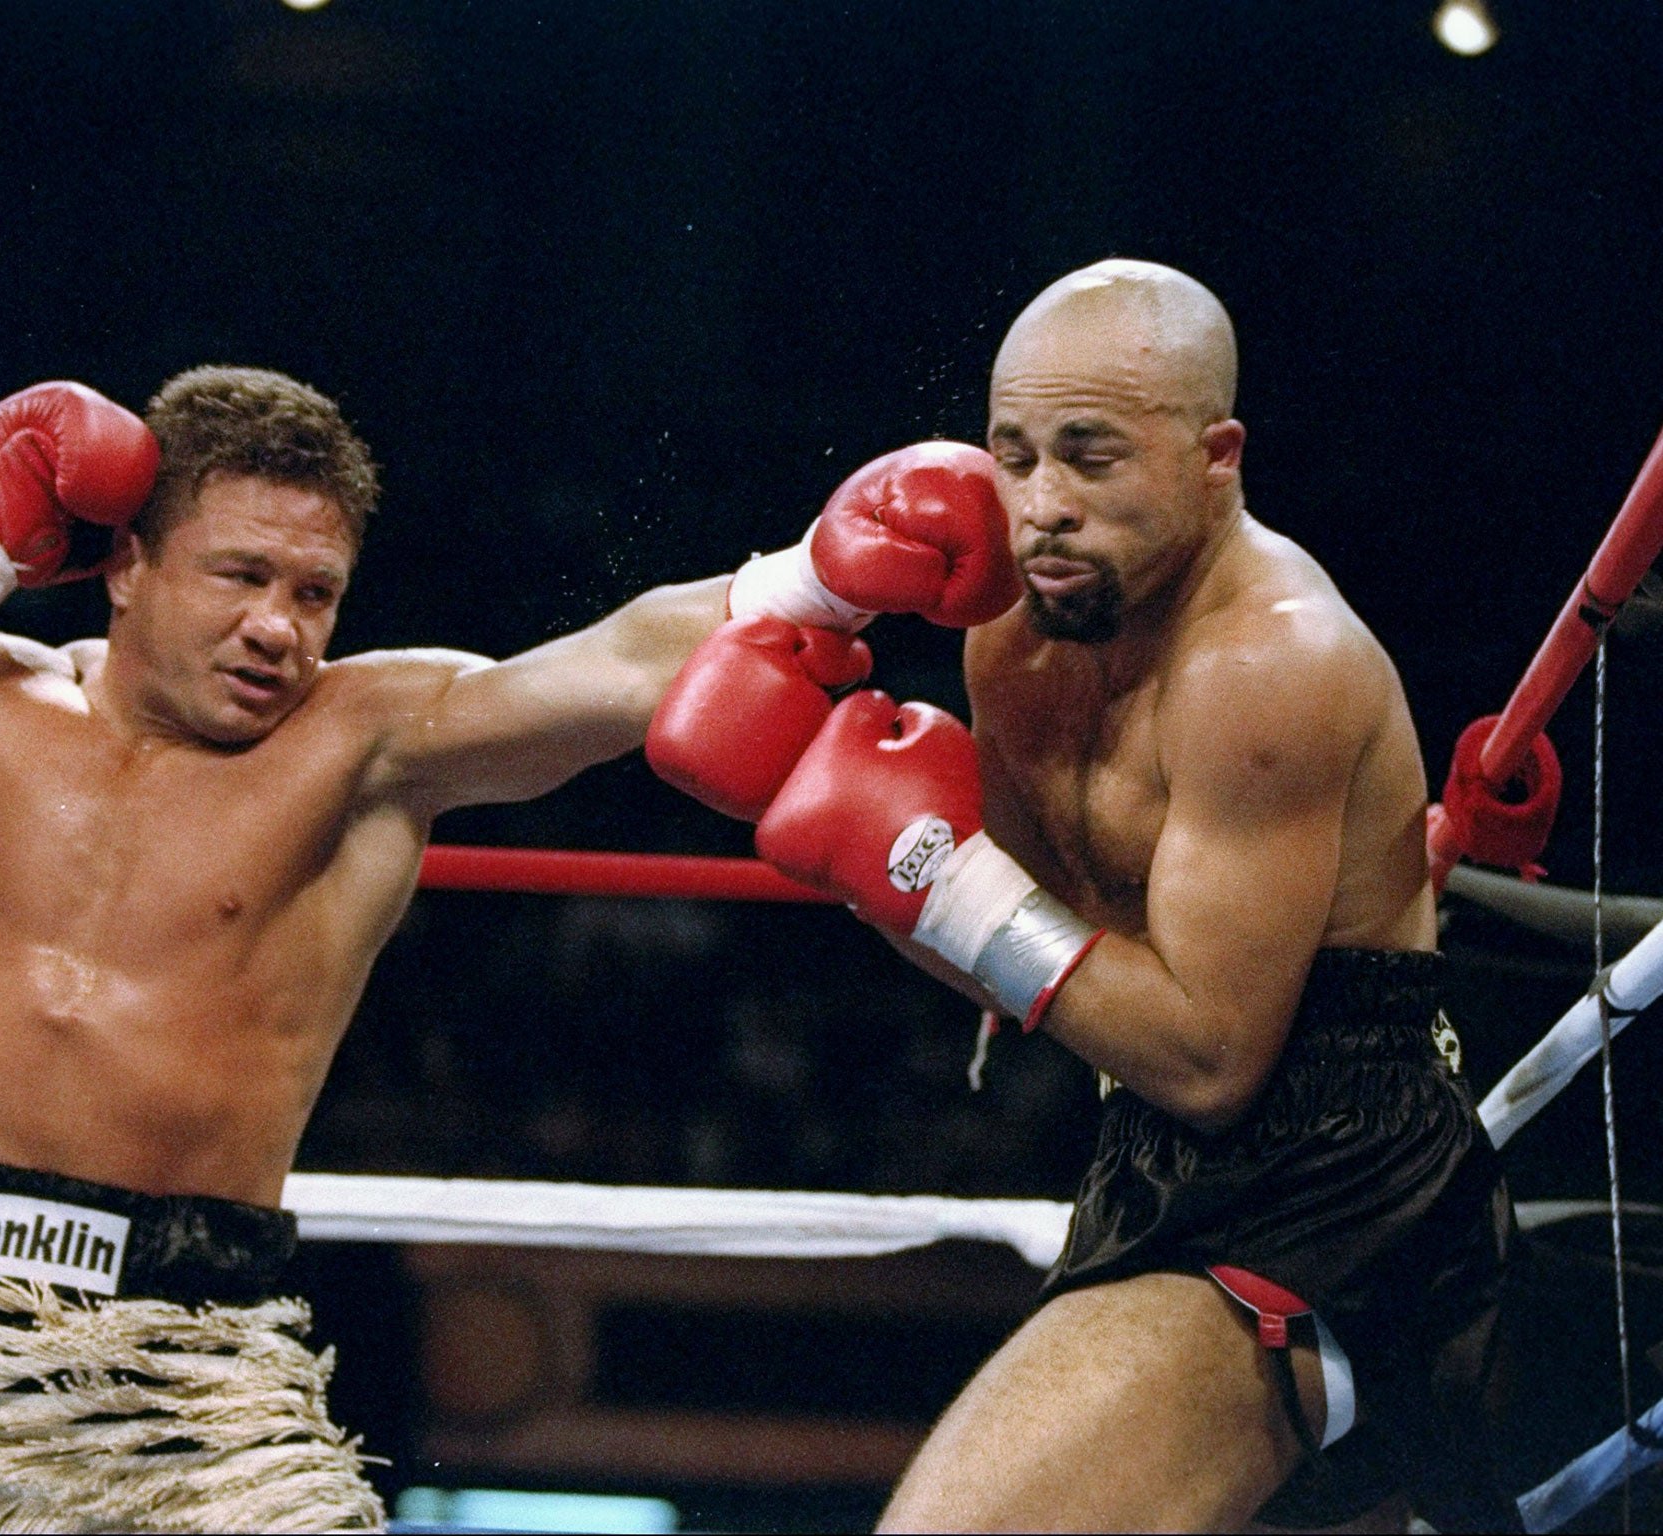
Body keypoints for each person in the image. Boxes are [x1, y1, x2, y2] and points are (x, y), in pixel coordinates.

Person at [0, 365, 797, 1534]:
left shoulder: (371, 740)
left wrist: (821, 574)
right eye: (240, 576)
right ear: (126, 565)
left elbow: (620, 660)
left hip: (183, 1360)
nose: (276, 628)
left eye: (315, 593)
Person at [649, 261, 1514, 1531]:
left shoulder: (1267, 663)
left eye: (1089, 456)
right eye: (1012, 455)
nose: (1039, 505)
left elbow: (1209, 1056)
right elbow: (1043, 971)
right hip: (1145, 1160)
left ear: (1214, 455)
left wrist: (930, 874)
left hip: (1334, 1196)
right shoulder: (1012, 637)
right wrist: (858, 863)